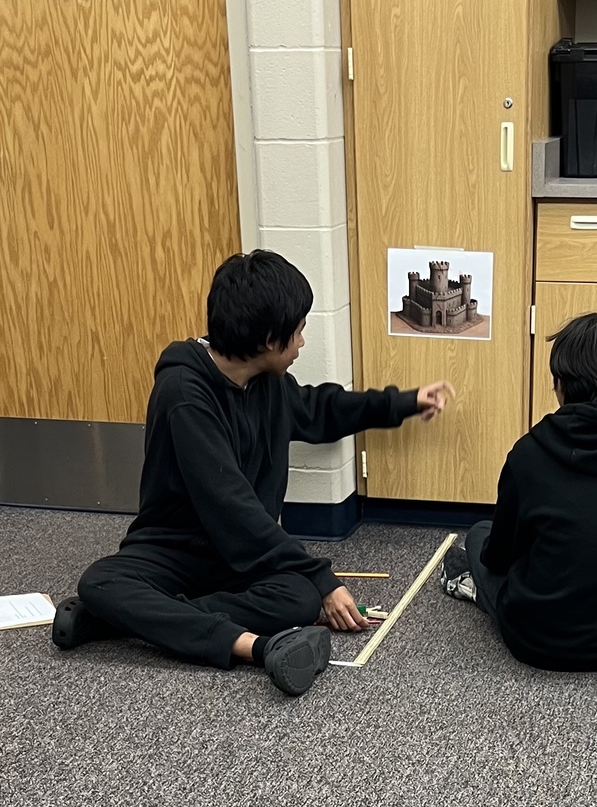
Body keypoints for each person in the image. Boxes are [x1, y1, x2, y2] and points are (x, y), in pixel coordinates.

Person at [52, 250, 454, 696]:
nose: (302, 340)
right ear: (267, 339)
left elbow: (320, 410)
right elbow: (233, 507)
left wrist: (404, 402)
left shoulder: (267, 383)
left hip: (238, 560)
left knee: (297, 598)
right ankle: (250, 646)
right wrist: (323, 576)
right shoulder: (184, 393)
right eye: (298, 330)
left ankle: (133, 620)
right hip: (175, 551)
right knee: (102, 581)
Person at [440, 312, 597, 672]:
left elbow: (500, 558)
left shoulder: (528, 453)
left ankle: (470, 585)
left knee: (479, 535)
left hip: (538, 641)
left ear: (559, 384)